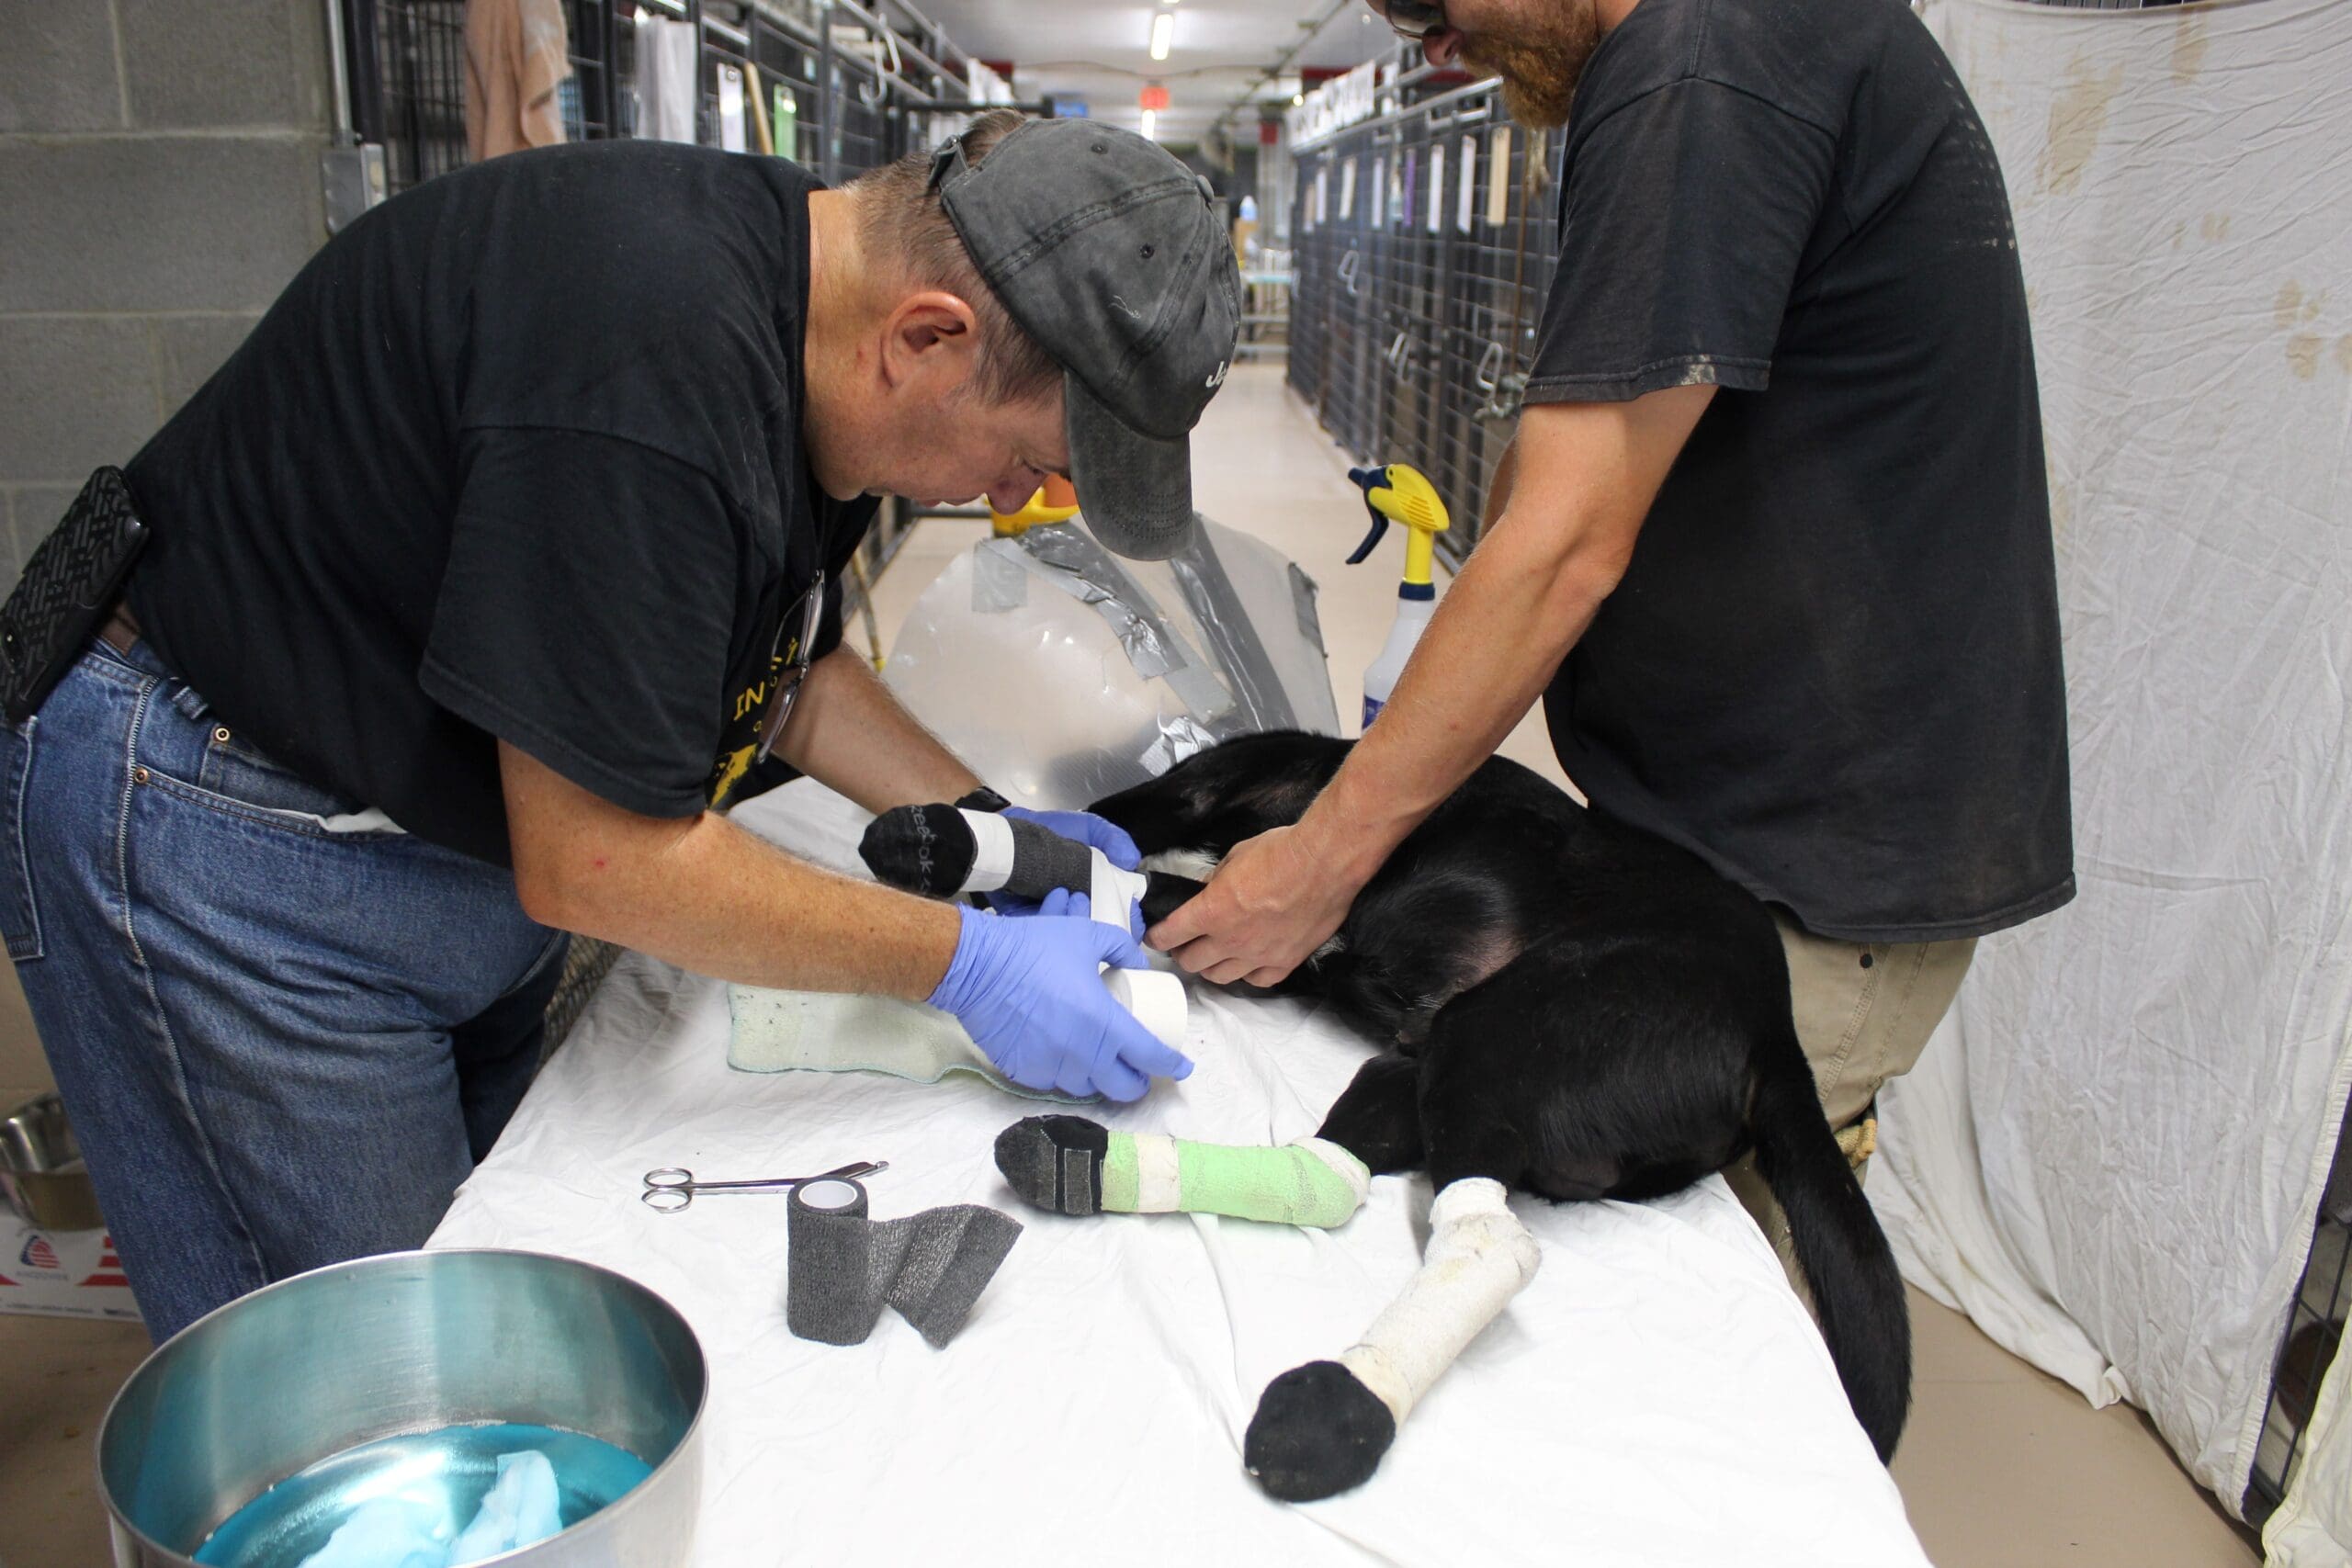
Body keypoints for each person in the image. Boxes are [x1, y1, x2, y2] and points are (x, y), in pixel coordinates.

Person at [3, 110, 1240, 1341]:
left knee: (504, 1279)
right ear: (928, 337)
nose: (1021, 498)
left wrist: (997, 830)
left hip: (437, 815)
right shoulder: (641, 369)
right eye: (1028, 459)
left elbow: (784, 665)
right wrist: (964, 963)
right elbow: (599, 856)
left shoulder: (811, 311)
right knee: (378, 1372)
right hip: (230, 838)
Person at [1152, 0, 2075, 1264]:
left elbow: (1568, 544)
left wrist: (1322, 863)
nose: (1428, 47)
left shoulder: (1711, 53)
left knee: (1652, 1327)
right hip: (1713, 845)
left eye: (1429, 3)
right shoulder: (1709, 57)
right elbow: (1553, 469)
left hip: (1790, 890)